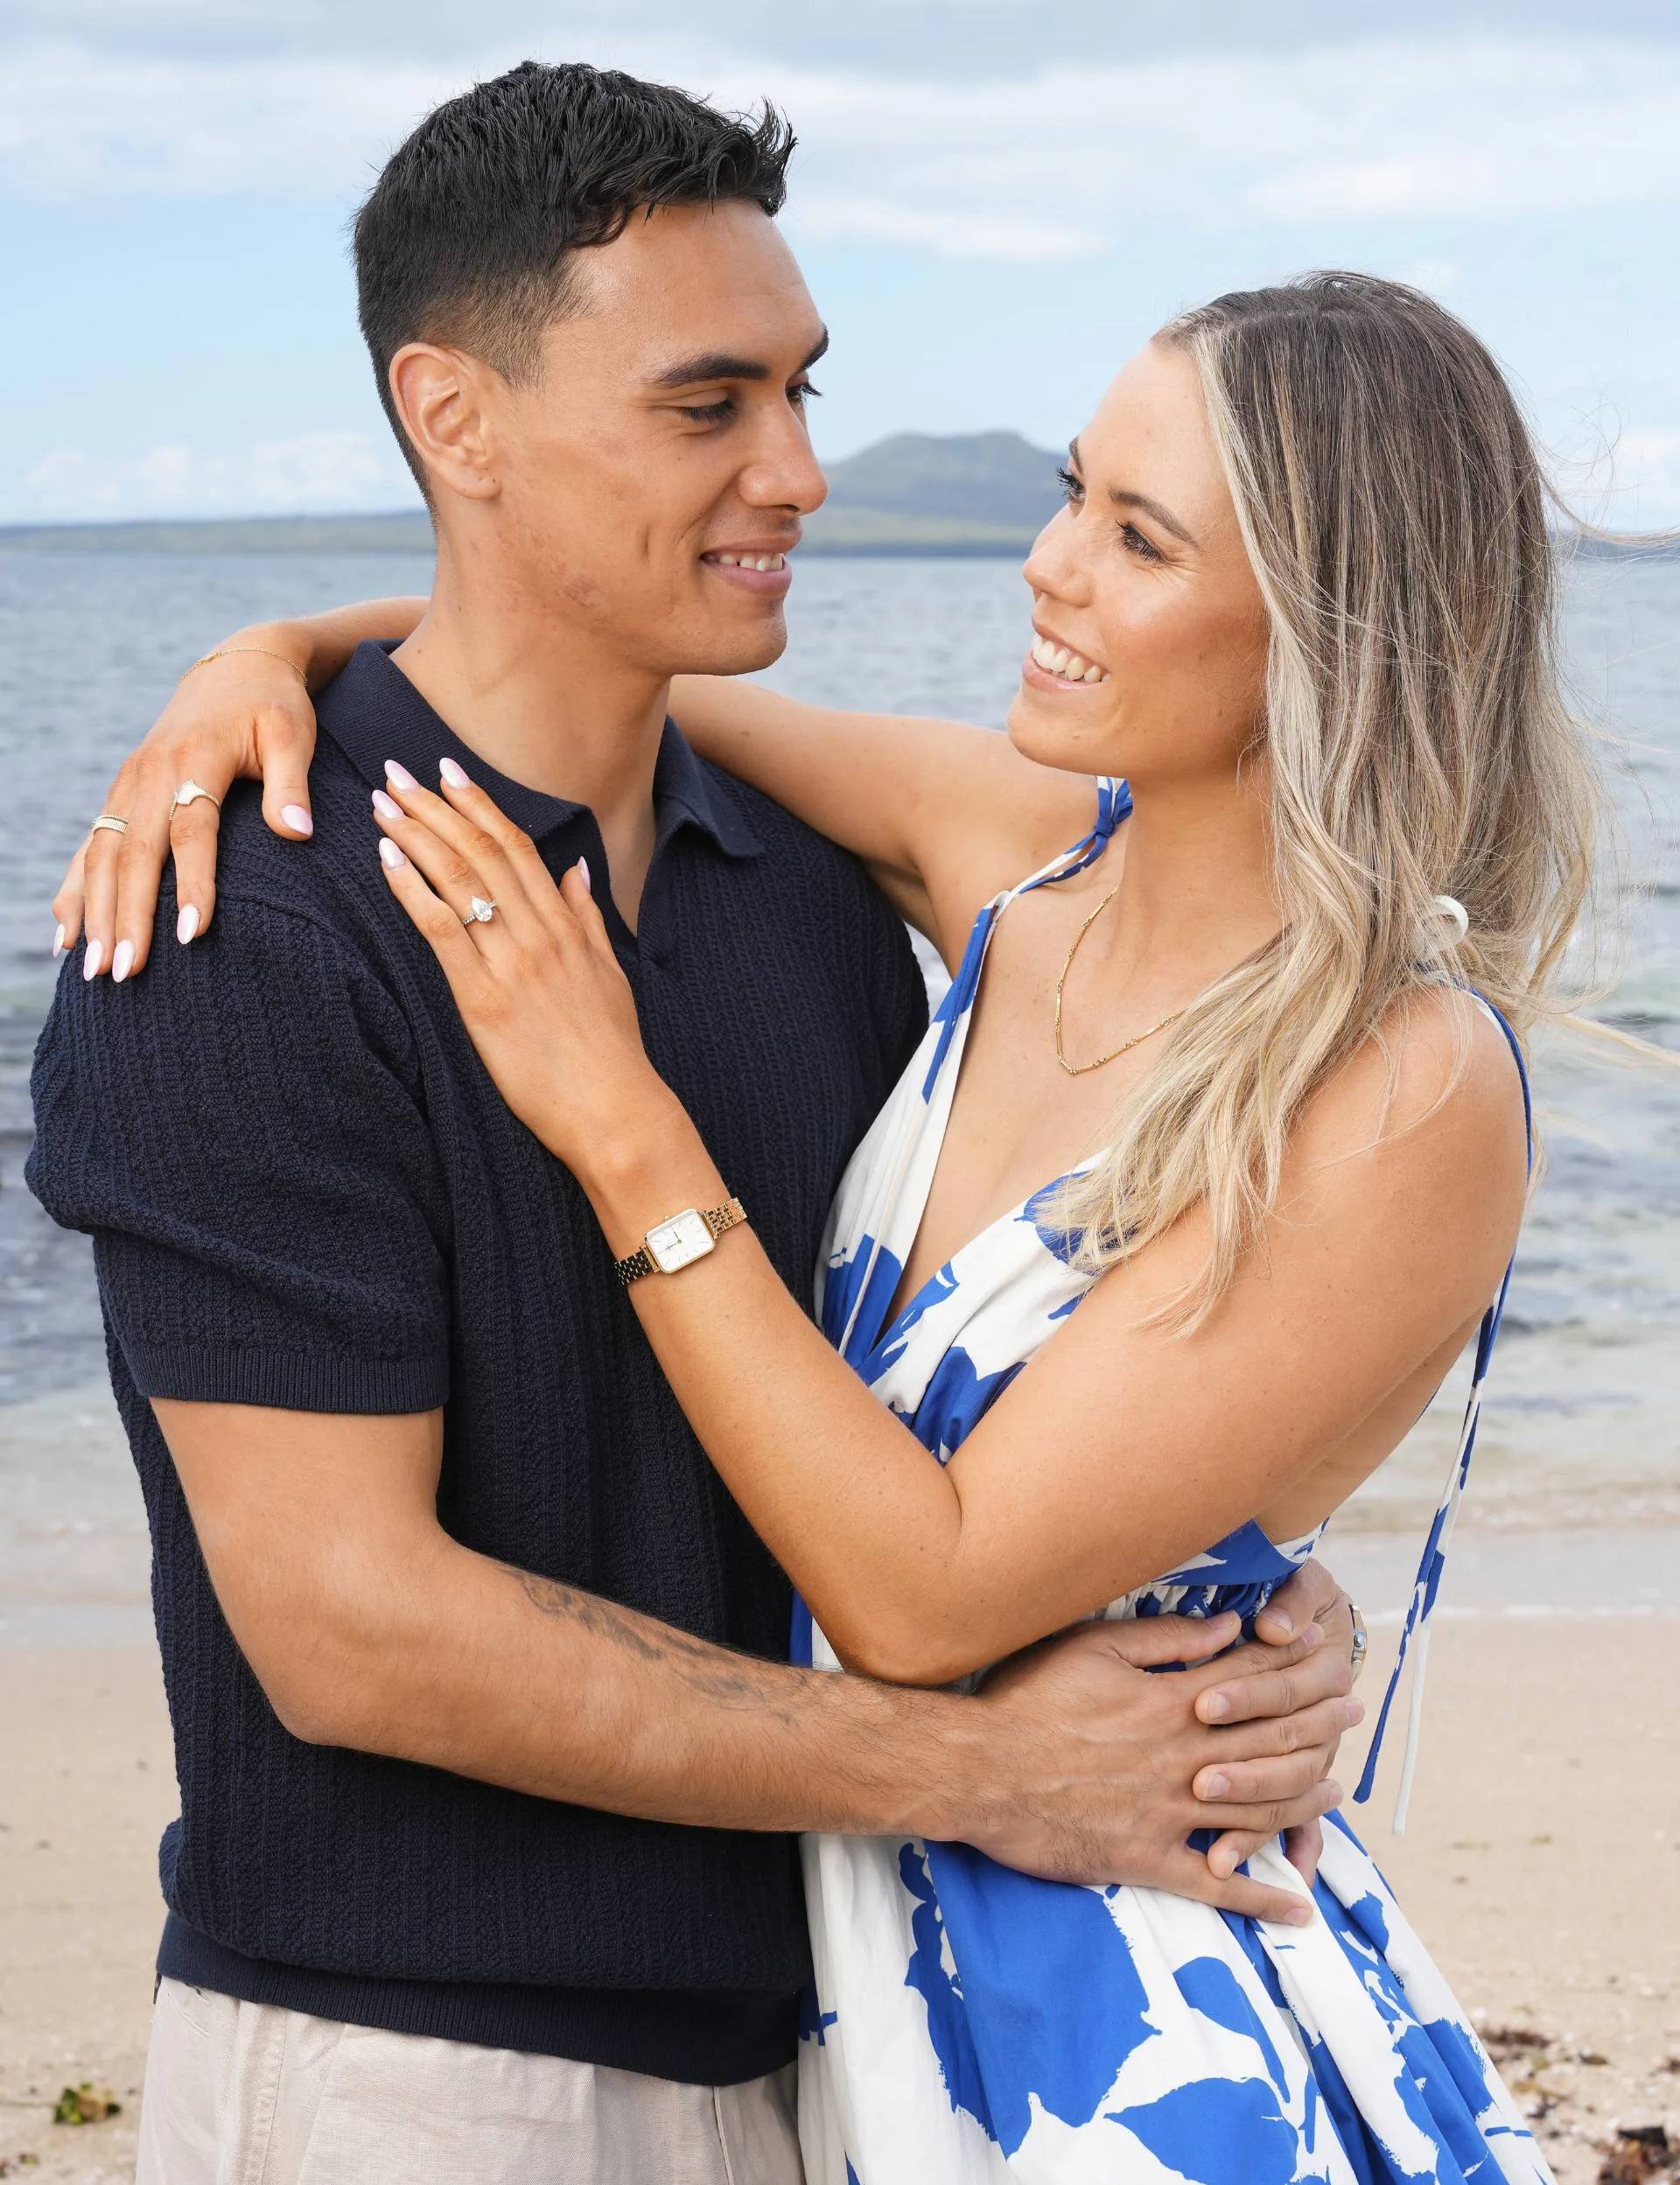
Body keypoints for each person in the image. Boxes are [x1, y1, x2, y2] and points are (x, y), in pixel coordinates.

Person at [81, 270, 1589, 2181]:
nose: (1047, 567)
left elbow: (922, 1591)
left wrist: (624, 1123)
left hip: (1129, 2005)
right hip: (853, 1964)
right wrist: (265, 652)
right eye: (1068, 490)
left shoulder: (1403, 1077)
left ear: (1332, 625)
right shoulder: (1012, 860)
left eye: (1137, 539)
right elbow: (571, 649)